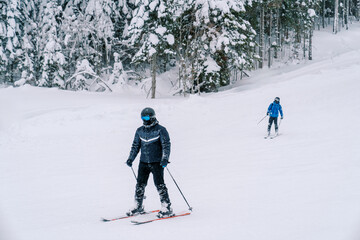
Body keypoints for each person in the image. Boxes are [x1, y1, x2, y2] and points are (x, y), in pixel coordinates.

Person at [126, 107, 173, 218]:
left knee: (159, 185)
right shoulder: (139, 131)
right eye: (142, 117)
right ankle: (138, 206)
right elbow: (135, 146)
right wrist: (130, 158)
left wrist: (165, 159)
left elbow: (166, 145)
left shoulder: (161, 130)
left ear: (152, 117)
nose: (144, 119)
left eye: (146, 117)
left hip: (157, 162)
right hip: (143, 163)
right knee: (140, 185)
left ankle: (166, 207)